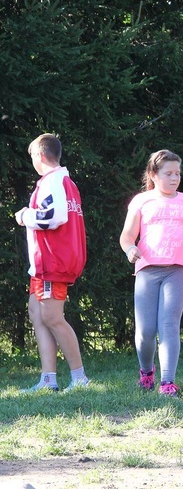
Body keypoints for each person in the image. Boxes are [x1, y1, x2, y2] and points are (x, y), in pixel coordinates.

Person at [119, 150, 183, 396]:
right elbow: (127, 236)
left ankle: (168, 382)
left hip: (177, 271)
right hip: (147, 269)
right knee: (146, 331)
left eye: (177, 173)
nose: (174, 178)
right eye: (168, 173)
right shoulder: (141, 201)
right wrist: (130, 250)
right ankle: (146, 372)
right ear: (153, 174)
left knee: (169, 325)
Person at [15, 133, 89, 392]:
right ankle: (49, 379)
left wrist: (25, 215)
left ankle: (80, 378)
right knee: (37, 314)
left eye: (33, 156)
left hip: (53, 262)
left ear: (40, 155)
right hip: (44, 263)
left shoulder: (54, 181)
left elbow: (53, 217)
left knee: (52, 316)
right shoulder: (61, 181)